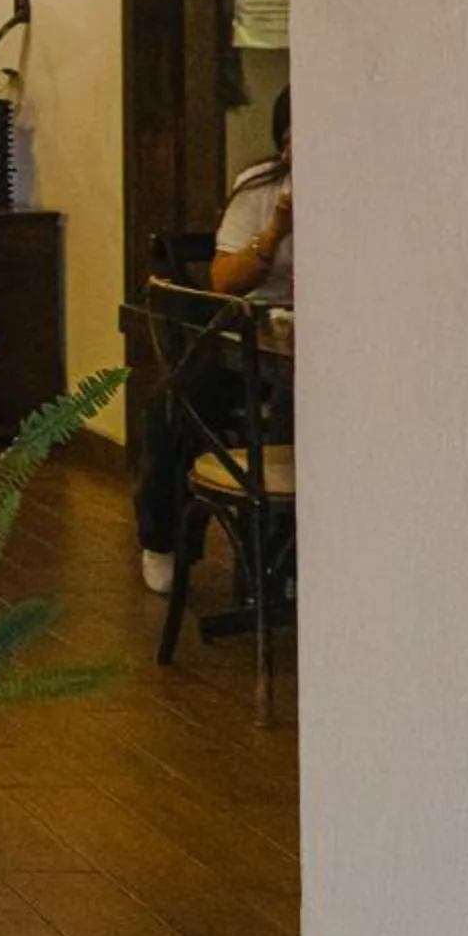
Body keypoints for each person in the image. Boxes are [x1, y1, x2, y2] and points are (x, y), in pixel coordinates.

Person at [138, 90, 291, 593]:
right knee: (173, 401)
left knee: (300, 407)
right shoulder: (260, 189)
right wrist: (274, 233)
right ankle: (165, 540)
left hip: (318, 353)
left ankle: (276, 564)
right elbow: (224, 281)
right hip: (246, 334)